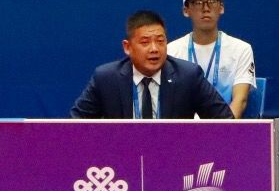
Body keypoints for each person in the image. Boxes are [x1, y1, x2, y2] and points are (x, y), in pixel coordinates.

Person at [71, 10, 232, 119]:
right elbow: (74, 126)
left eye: (160, 41)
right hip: (122, 156)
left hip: (174, 156)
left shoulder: (188, 76)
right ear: (127, 47)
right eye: (145, 42)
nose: (154, 49)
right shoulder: (106, 79)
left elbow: (226, 123)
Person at [167, 0, 257, 118]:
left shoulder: (241, 50)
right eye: (198, 2)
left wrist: (221, 129)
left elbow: (240, 101)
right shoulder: (171, 51)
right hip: (185, 129)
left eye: (212, 1)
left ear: (221, 7)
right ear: (186, 10)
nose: (206, 8)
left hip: (225, 126)